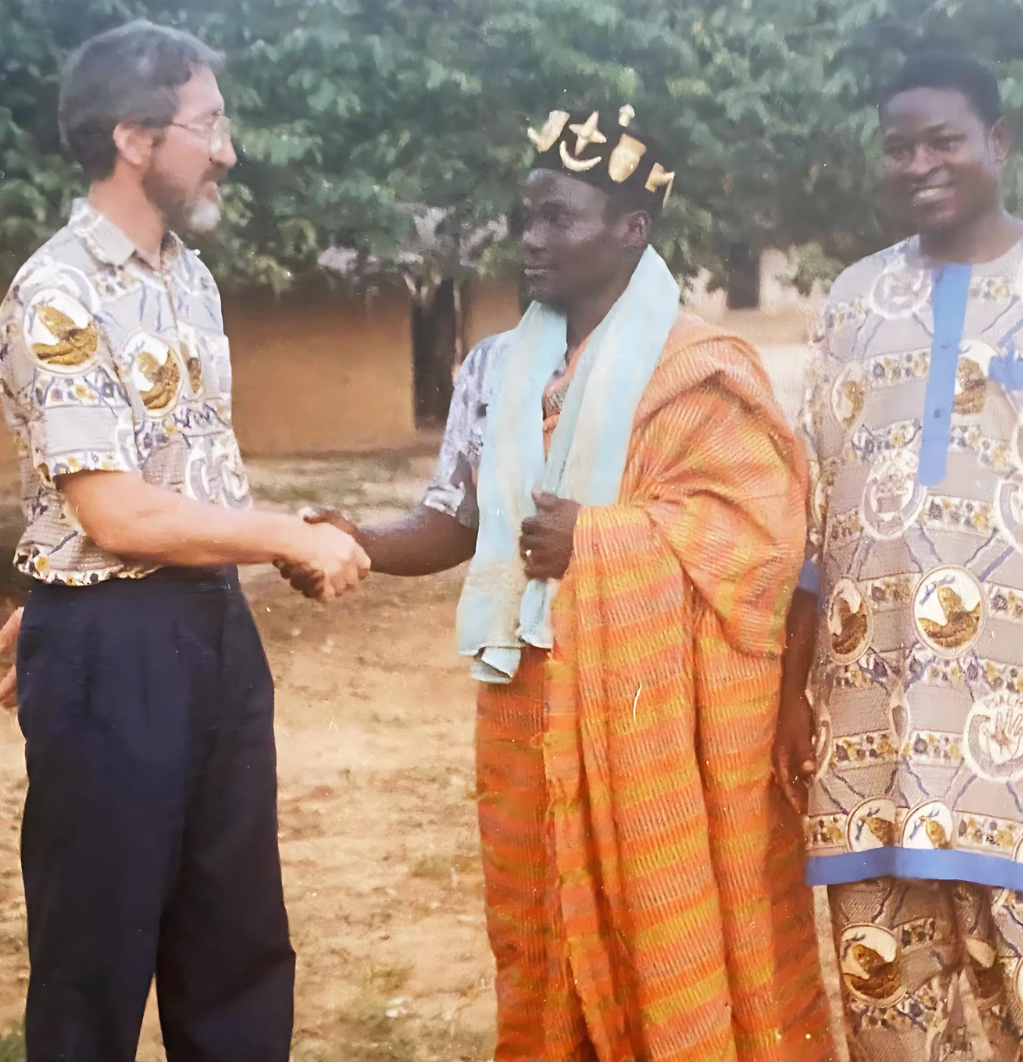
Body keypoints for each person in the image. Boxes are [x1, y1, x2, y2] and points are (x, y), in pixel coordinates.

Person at [282, 105, 834, 1062]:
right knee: (541, 932)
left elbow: (762, 540)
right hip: (528, 699)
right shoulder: (497, 367)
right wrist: (358, 540)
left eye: (557, 218)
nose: (530, 240)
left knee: (667, 932)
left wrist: (603, 540)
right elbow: (459, 520)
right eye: (526, 216)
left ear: (632, 228)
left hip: (660, 715)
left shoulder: (699, 369)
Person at [772, 50, 1023, 1061]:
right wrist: (790, 692)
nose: (920, 163)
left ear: (997, 142)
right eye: (898, 147)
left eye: (943, 140)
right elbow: (812, 516)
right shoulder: (853, 301)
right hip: (869, 715)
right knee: (888, 1008)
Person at [0, 21, 369, 1062]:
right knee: (95, 962)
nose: (227, 151)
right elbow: (115, 513)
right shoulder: (58, 293)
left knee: (237, 947)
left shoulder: (187, 279)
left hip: (210, 630)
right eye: (208, 125)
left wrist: (64, 589)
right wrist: (81, 615)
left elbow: (168, 480)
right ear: (133, 138)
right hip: (113, 658)